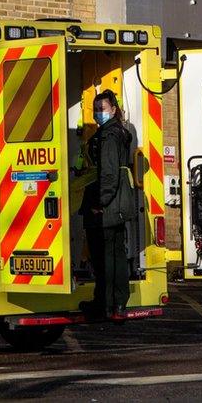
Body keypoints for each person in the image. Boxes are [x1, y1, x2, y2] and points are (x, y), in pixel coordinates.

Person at [79, 90, 137, 321]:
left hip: (107, 204)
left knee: (104, 257)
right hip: (117, 202)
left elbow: (109, 173)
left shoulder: (108, 135)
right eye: (95, 110)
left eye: (101, 109)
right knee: (115, 255)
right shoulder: (118, 131)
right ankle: (117, 306)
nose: (97, 114)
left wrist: (100, 203)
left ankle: (104, 305)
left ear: (113, 109)